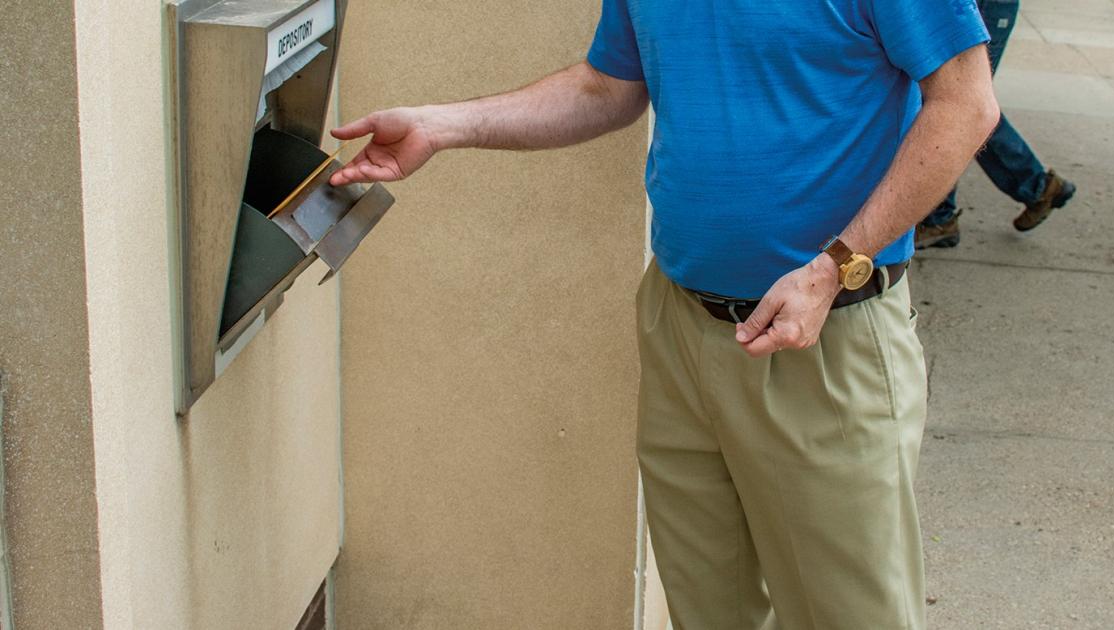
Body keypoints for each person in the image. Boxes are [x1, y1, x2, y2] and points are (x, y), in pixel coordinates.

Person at [330, 0, 998, 627]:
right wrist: (444, 126)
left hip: (823, 338)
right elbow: (607, 87)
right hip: (680, 325)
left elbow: (966, 104)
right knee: (709, 612)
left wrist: (834, 265)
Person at [916, 0, 1076, 249]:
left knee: (958, 105)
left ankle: (1036, 186)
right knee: (953, 105)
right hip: (960, 7)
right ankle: (939, 216)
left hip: (979, 7)